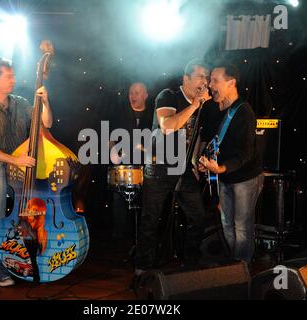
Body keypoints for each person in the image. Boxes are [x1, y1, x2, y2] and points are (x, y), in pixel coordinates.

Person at [0, 57, 53, 286]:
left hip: (17, 167)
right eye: (8, 76)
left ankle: (23, 262)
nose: (13, 80)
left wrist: (45, 102)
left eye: (13, 75)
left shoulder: (19, 102)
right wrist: (14, 159)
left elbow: (46, 123)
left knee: (23, 217)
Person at [134, 59, 211, 276]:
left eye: (206, 77)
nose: (204, 82)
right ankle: (143, 269)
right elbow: (167, 126)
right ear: (186, 79)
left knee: (198, 217)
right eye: (200, 76)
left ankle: (191, 264)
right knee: (152, 218)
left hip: (183, 169)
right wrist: (195, 105)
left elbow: (196, 136)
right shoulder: (168, 96)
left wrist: (195, 162)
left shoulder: (202, 105)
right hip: (158, 167)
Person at [198, 63, 263, 267]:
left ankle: (242, 269)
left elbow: (245, 153)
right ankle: (237, 265)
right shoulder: (212, 109)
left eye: (215, 81)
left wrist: (222, 168)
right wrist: (205, 163)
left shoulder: (244, 112)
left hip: (245, 177)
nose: (209, 85)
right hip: (224, 177)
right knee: (227, 224)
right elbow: (209, 140)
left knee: (241, 225)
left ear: (231, 82)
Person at [109, 82, 152, 257]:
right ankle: (120, 248)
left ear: (145, 95)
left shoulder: (153, 115)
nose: (133, 96)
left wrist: (142, 148)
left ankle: (143, 247)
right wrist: (113, 154)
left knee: (146, 208)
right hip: (122, 168)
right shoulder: (119, 114)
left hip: (148, 168)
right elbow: (110, 138)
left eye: (137, 92)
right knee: (119, 206)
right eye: (131, 93)